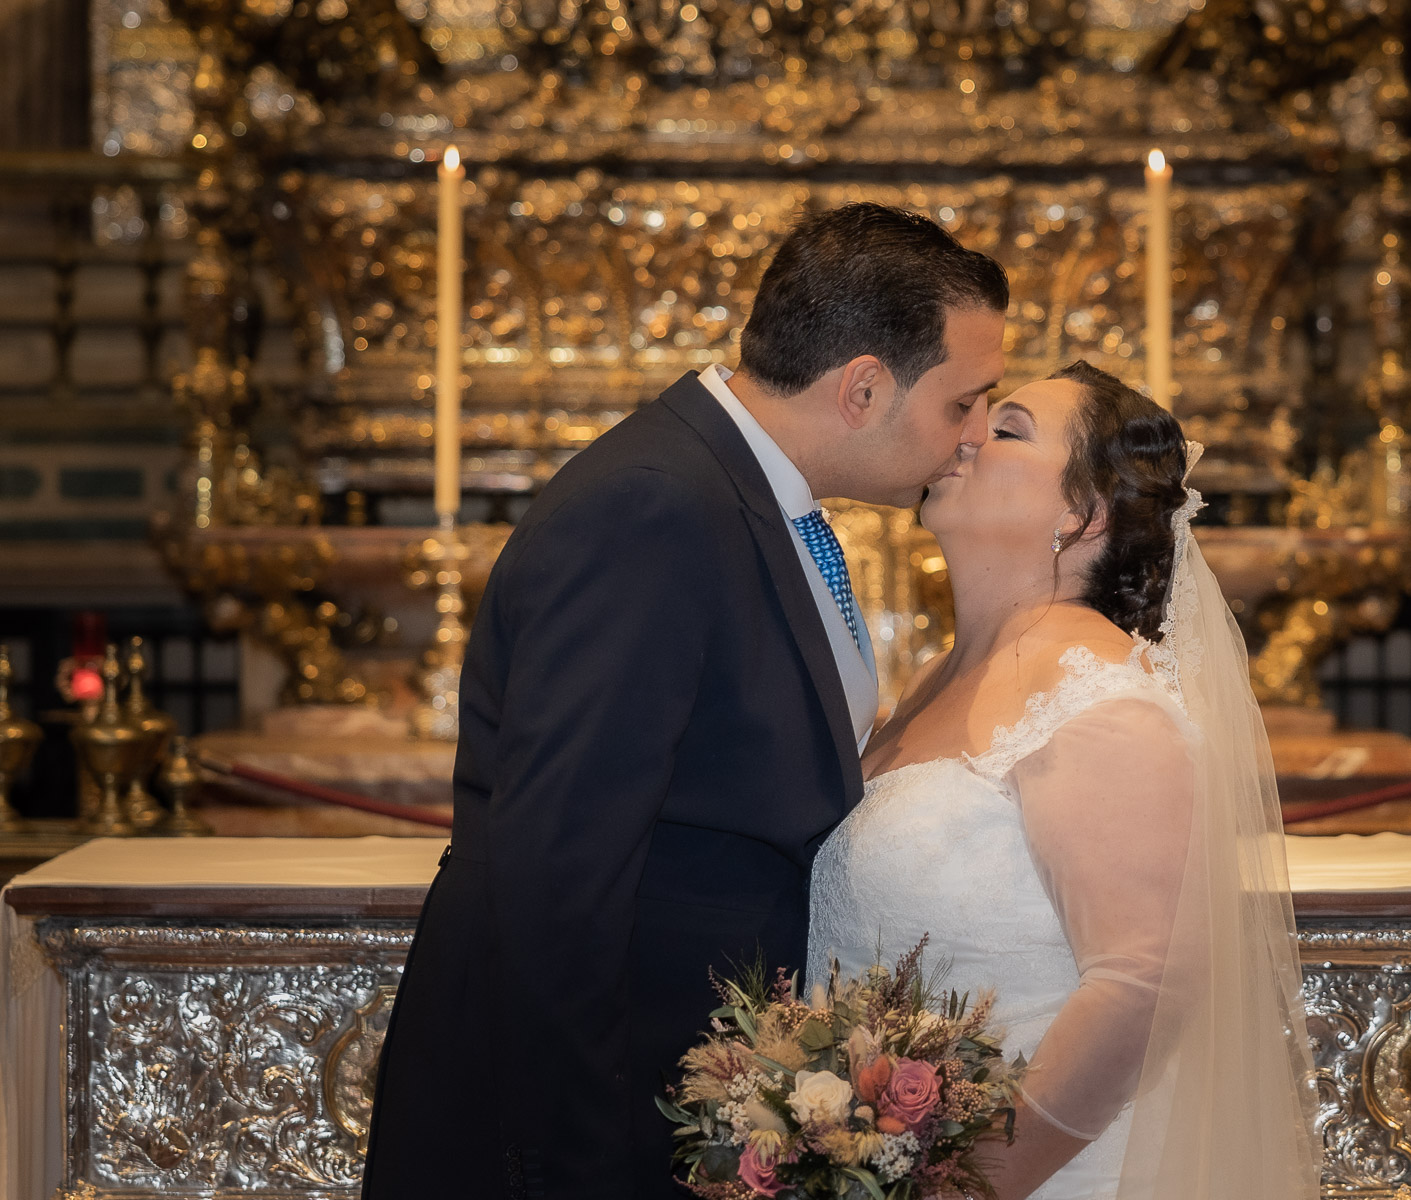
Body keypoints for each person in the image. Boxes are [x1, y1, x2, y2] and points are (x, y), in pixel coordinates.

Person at [361, 203, 1007, 1200]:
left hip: (677, 1104)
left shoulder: (746, 496)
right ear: (864, 387)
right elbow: (557, 872)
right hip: (581, 1123)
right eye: (962, 404)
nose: (967, 440)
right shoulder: (656, 507)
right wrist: (575, 1163)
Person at [808, 361, 1320, 1199]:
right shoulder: (937, 677)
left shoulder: (1096, 689)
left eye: (1006, 430)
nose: (966, 435)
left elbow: (1143, 984)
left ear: (1082, 515)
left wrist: (969, 1183)